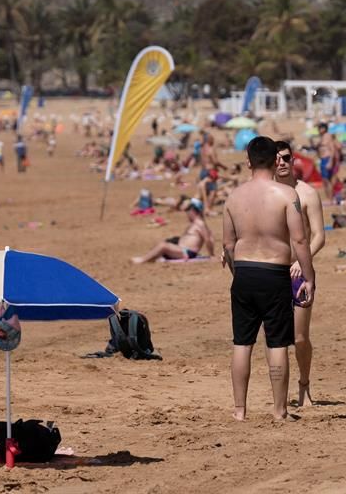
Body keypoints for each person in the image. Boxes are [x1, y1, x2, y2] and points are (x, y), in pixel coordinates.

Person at [222, 136, 316, 422]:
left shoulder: (233, 197)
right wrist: (309, 277)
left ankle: (240, 410)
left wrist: (239, 273)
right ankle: (279, 410)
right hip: (274, 273)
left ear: (248, 161)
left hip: (245, 273)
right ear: (276, 160)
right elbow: (300, 240)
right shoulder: (287, 196)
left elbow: (228, 244)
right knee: (276, 344)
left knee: (242, 343)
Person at [274, 141, 325, 407]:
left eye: (285, 157)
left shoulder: (307, 194)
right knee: (277, 339)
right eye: (275, 159)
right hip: (272, 270)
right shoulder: (267, 194)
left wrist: (303, 261)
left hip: (300, 273)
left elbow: (319, 236)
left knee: (300, 337)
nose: (280, 162)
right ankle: (280, 395)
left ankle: (304, 385)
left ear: (293, 160)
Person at [131, 199, 214, 263]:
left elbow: (208, 239)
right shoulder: (195, 223)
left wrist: (211, 255)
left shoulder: (200, 223)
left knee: (163, 246)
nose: (186, 212)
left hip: (187, 252)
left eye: (188, 209)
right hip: (182, 250)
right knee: (164, 243)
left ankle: (142, 260)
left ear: (194, 210)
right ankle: (148, 258)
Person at [316, 123, 338, 199]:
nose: (319, 130)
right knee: (324, 180)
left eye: (320, 128)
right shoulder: (322, 137)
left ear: (324, 129)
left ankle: (330, 198)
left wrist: (330, 161)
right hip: (322, 159)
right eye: (318, 128)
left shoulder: (328, 136)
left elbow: (332, 149)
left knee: (327, 180)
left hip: (327, 159)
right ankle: (328, 198)